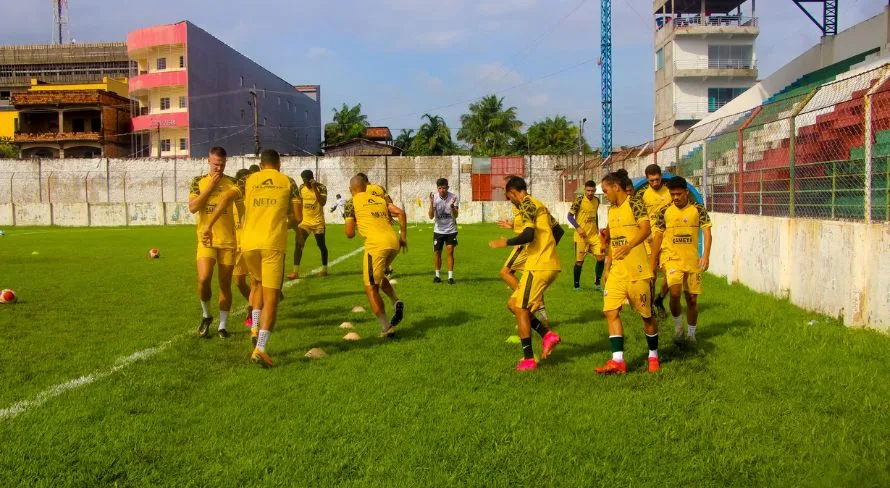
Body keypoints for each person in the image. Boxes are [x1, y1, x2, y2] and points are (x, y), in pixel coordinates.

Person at [202, 149, 302, 368]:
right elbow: (298, 217)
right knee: (272, 298)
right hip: (272, 245)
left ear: (261, 163)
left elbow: (227, 196)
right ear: (279, 165)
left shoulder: (249, 179)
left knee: (256, 283)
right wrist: (285, 222)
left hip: (248, 245)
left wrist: (208, 225)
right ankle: (261, 349)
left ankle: (254, 326)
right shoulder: (289, 182)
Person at [489, 176, 561, 371]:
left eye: (508, 194)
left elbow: (528, 235)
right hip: (542, 264)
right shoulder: (538, 204)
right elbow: (558, 231)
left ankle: (528, 360)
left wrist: (505, 242)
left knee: (520, 308)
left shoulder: (527, 203)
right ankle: (547, 335)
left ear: (514, 192)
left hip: (539, 266)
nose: (508, 199)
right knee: (513, 304)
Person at [596, 168, 660, 375]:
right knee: (610, 311)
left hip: (638, 271)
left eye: (606, 191)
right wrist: (607, 267)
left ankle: (653, 355)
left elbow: (646, 228)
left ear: (616, 187)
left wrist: (630, 245)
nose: (604, 195)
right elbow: (614, 241)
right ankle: (618, 361)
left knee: (647, 317)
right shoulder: (611, 210)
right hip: (617, 271)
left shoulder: (634, 202)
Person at [650, 176, 712, 344]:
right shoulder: (664, 211)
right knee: (675, 293)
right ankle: (678, 328)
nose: (675, 197)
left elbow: (707, 233)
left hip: (692, 261)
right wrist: (653, 260)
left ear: (686, 192)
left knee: (692, 299)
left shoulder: (698, 210)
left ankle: (691, 334)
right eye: (672, 194)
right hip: (671, 259)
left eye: (678, 194)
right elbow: (658, 236)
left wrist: (705, 255)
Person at [344, 174, 408, 337]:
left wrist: (357, 223)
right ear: (366, 186)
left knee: (370, 287)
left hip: (376, 245)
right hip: (393, 242)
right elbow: (399, 213)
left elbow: (349, 233)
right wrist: (403, 237)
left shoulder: (351, 202)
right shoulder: (379, 200)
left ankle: (386, 328)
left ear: (351, 189)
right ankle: (395, 300)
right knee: (377, 277)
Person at [188, 146, 240, 339]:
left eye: (222, 164)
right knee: (203, 279)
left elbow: (231, 201)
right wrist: (209, 187)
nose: (219, 168)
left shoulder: (233, 183)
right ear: (209, 161)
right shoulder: (197, 182)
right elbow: (193, 207)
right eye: (216, 164)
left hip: (227, 241)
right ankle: (206, 314)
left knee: (225, 285)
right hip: (206, 239)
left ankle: (223, 326)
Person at [640, 164, 672, 317]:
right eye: (651, 181)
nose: (655, 183)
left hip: (668, 240)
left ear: (661, 176)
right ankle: (651, 307)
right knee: (651, 275)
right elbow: (638, 218)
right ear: (647, 179)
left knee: (671, 275)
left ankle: (660, 299)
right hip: (649, 241)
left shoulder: (670, 192)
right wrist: (646, 235)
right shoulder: (643, 195)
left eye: (657, 179)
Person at [356, 172, 401, 277]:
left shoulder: (361, 191)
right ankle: (387, 268)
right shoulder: (379, 188)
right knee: (386, 244)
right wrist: (389, 216)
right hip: (383, 220)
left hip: (371, 222)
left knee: (374, 245)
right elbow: (389, 202)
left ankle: (379, 270)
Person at [288, 169, 328, 280]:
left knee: (321, 245)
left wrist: (314, 187)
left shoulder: (321, 187)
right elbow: (298, 202)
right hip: (305, 222)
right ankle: (295, 272)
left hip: (318, 222)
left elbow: (322, 203)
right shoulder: (301, 188)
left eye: (306, 180)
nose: (304, 182)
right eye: (303, 180)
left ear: (311, 179)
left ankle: (324, 269)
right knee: (298, 244)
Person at [568, 180, 605, 291]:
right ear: (585, 190)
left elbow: (595, 216)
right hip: (581, 237)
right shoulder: (579, 201)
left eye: (592, 191)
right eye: (588, 190)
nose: (590, 193)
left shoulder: (597, 200)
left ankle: (597, 284)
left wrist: (597, 229)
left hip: (593, 236)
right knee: (579, 262)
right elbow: (569, 216)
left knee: (601, 258)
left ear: (595, 190)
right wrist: (578, 227)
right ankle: (576, 285)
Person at [232, 167, 255, 328]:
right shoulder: (232, 200)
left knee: (255, 281)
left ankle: (252, 310)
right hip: (237, 247)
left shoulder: (255, 199)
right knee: (239, 281)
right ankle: (253, 302)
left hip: (254, 245)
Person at [429, 177, 459, 284]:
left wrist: (452, 206)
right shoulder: (435, 198)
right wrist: (432, 204)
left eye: (444, 188)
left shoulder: (454, 197)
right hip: (438, 230)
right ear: (437, 188)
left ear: (448, 188)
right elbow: (431, 216)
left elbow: (456, 215)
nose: (442, 190)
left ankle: (450, 277)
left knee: (450, 251)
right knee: (437, 252)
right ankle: (437, 276)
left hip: (451, 230)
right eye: (440, 188)